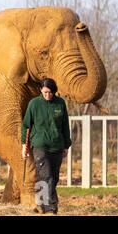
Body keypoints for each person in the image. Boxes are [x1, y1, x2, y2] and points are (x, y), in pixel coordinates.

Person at [21, 78, 72, 214]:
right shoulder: (34, 104)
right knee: (46, 174)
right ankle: (50, 207)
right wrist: (24, 145)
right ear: (41, 91)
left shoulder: (60, 103)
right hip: (39, 144)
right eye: (45, 92)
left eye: (50, 92)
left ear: (54, 91)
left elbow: (65, 125)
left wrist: (67, 145)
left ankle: (41, 204)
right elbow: (26, 125)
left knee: (53, 177)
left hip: (57, 145)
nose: (47, 95)